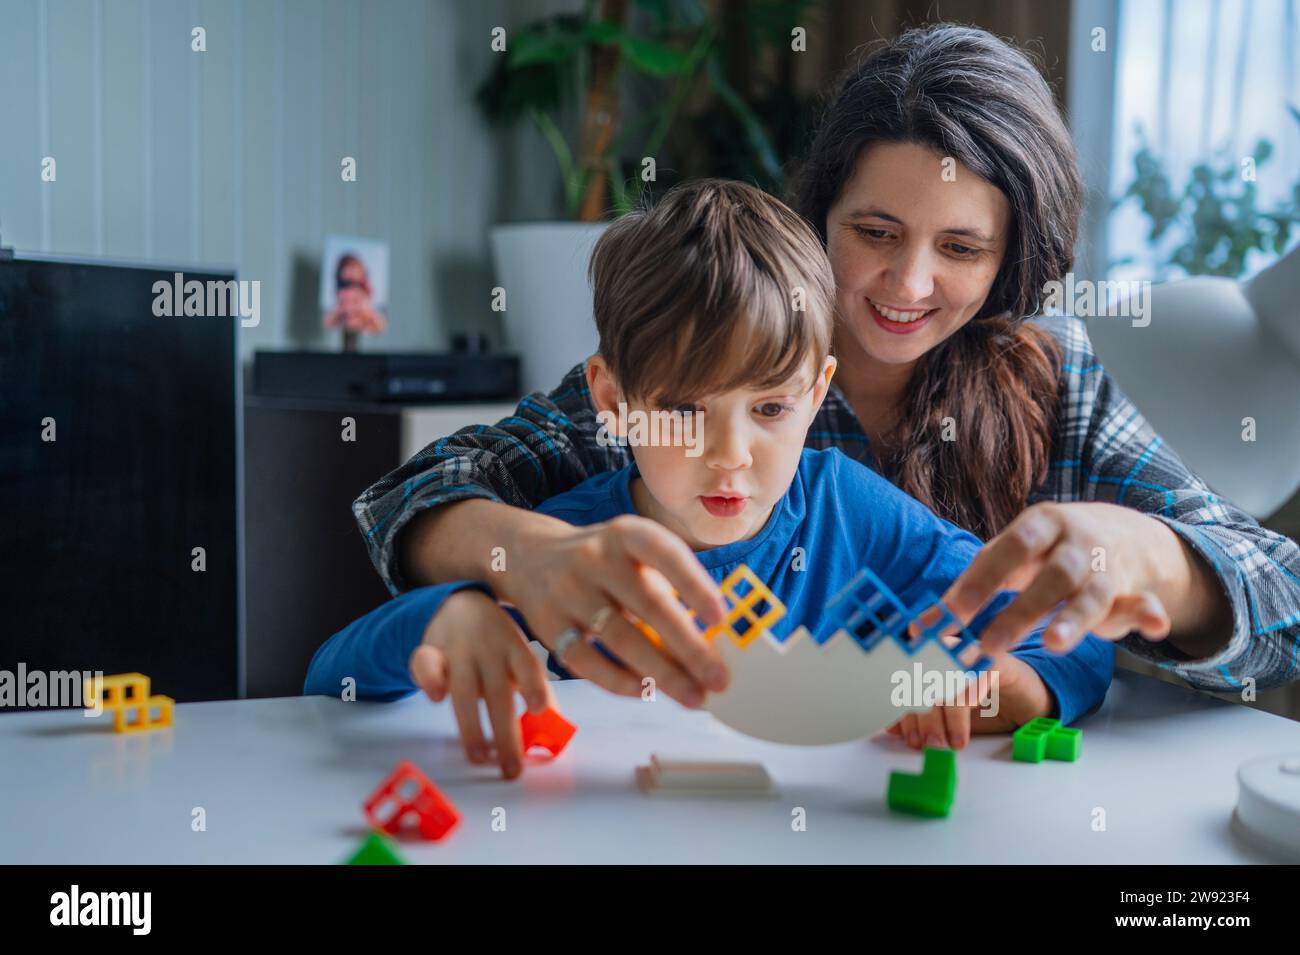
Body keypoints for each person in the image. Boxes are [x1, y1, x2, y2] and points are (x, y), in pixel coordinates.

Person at [353, 24, 1299, 734]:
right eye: (875, 231)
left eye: (961, 248)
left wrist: (1159, 562)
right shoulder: (724, 347)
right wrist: (518, 557)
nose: (908, 284)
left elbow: (1284, 610)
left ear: (1012, 260)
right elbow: (416, 495)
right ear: (823, 212)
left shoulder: (1052, 380)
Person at [307, 180, 1114, 778]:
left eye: (770, 408)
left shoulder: (853, 514)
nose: (730, 456)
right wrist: (446, 618)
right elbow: (329, 679)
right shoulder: (567, 548)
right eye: (687, 412)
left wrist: (985, 687)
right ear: (612, 399)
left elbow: (1071, 646)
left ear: (817, 388)